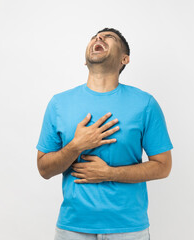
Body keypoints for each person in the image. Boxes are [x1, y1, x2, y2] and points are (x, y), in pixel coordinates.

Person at [36, 27, 173, 240]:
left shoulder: (145, 104)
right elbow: (44, 169)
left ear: (124, 59)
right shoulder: (59, 104)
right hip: (73, 228)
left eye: (109, 37)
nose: (98, 37)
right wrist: (76, 145)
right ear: (85, 60)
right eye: (94, 37)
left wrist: (110, 173)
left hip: (129, 229)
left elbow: (163, 166)